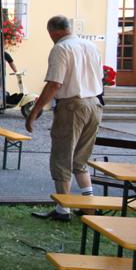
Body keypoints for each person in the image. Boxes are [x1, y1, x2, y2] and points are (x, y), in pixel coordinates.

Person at [25, 15, 103, 221]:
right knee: (81, 157)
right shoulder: (90, 46)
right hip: (94, 103)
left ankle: (63, 209)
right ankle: (89, 205)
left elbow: (54, 84)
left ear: (53, 31)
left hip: (72, 106)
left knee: (62, 156)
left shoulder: (61, 48)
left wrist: (34, 112)